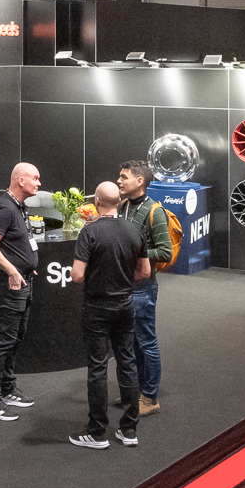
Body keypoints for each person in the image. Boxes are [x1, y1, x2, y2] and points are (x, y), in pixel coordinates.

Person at [70, 183, 149, 450]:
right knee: (127, 363)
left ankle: (97, 431)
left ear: (98, 200)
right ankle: (129, 430)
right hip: (126, 305)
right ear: (118, 201)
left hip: (97, 307)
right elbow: (145, 272)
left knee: (98, 367)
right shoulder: (134, 229)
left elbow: (77, 274)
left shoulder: (89, 232)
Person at [0, 162, 43, 421]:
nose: (39, 183)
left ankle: (7, 388)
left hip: (24, 282)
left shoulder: (19, 206)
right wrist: (13, 270)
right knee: (4, 339)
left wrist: (26, 266)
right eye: (35, 179)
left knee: (16, 337)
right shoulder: (5, 208)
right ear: (20, 181)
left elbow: (16, 243)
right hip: (10, 285)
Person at [117, 161, 174, 417]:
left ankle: (150, 398)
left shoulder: (155, 211)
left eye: (124, 177)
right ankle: (136, 391)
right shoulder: (125, 206)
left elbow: (165, 251)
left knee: (146, 342)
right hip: (127, 285)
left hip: (143, 288)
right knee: (131, 342)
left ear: (140, 181)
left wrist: (132, 254)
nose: (119, 181)